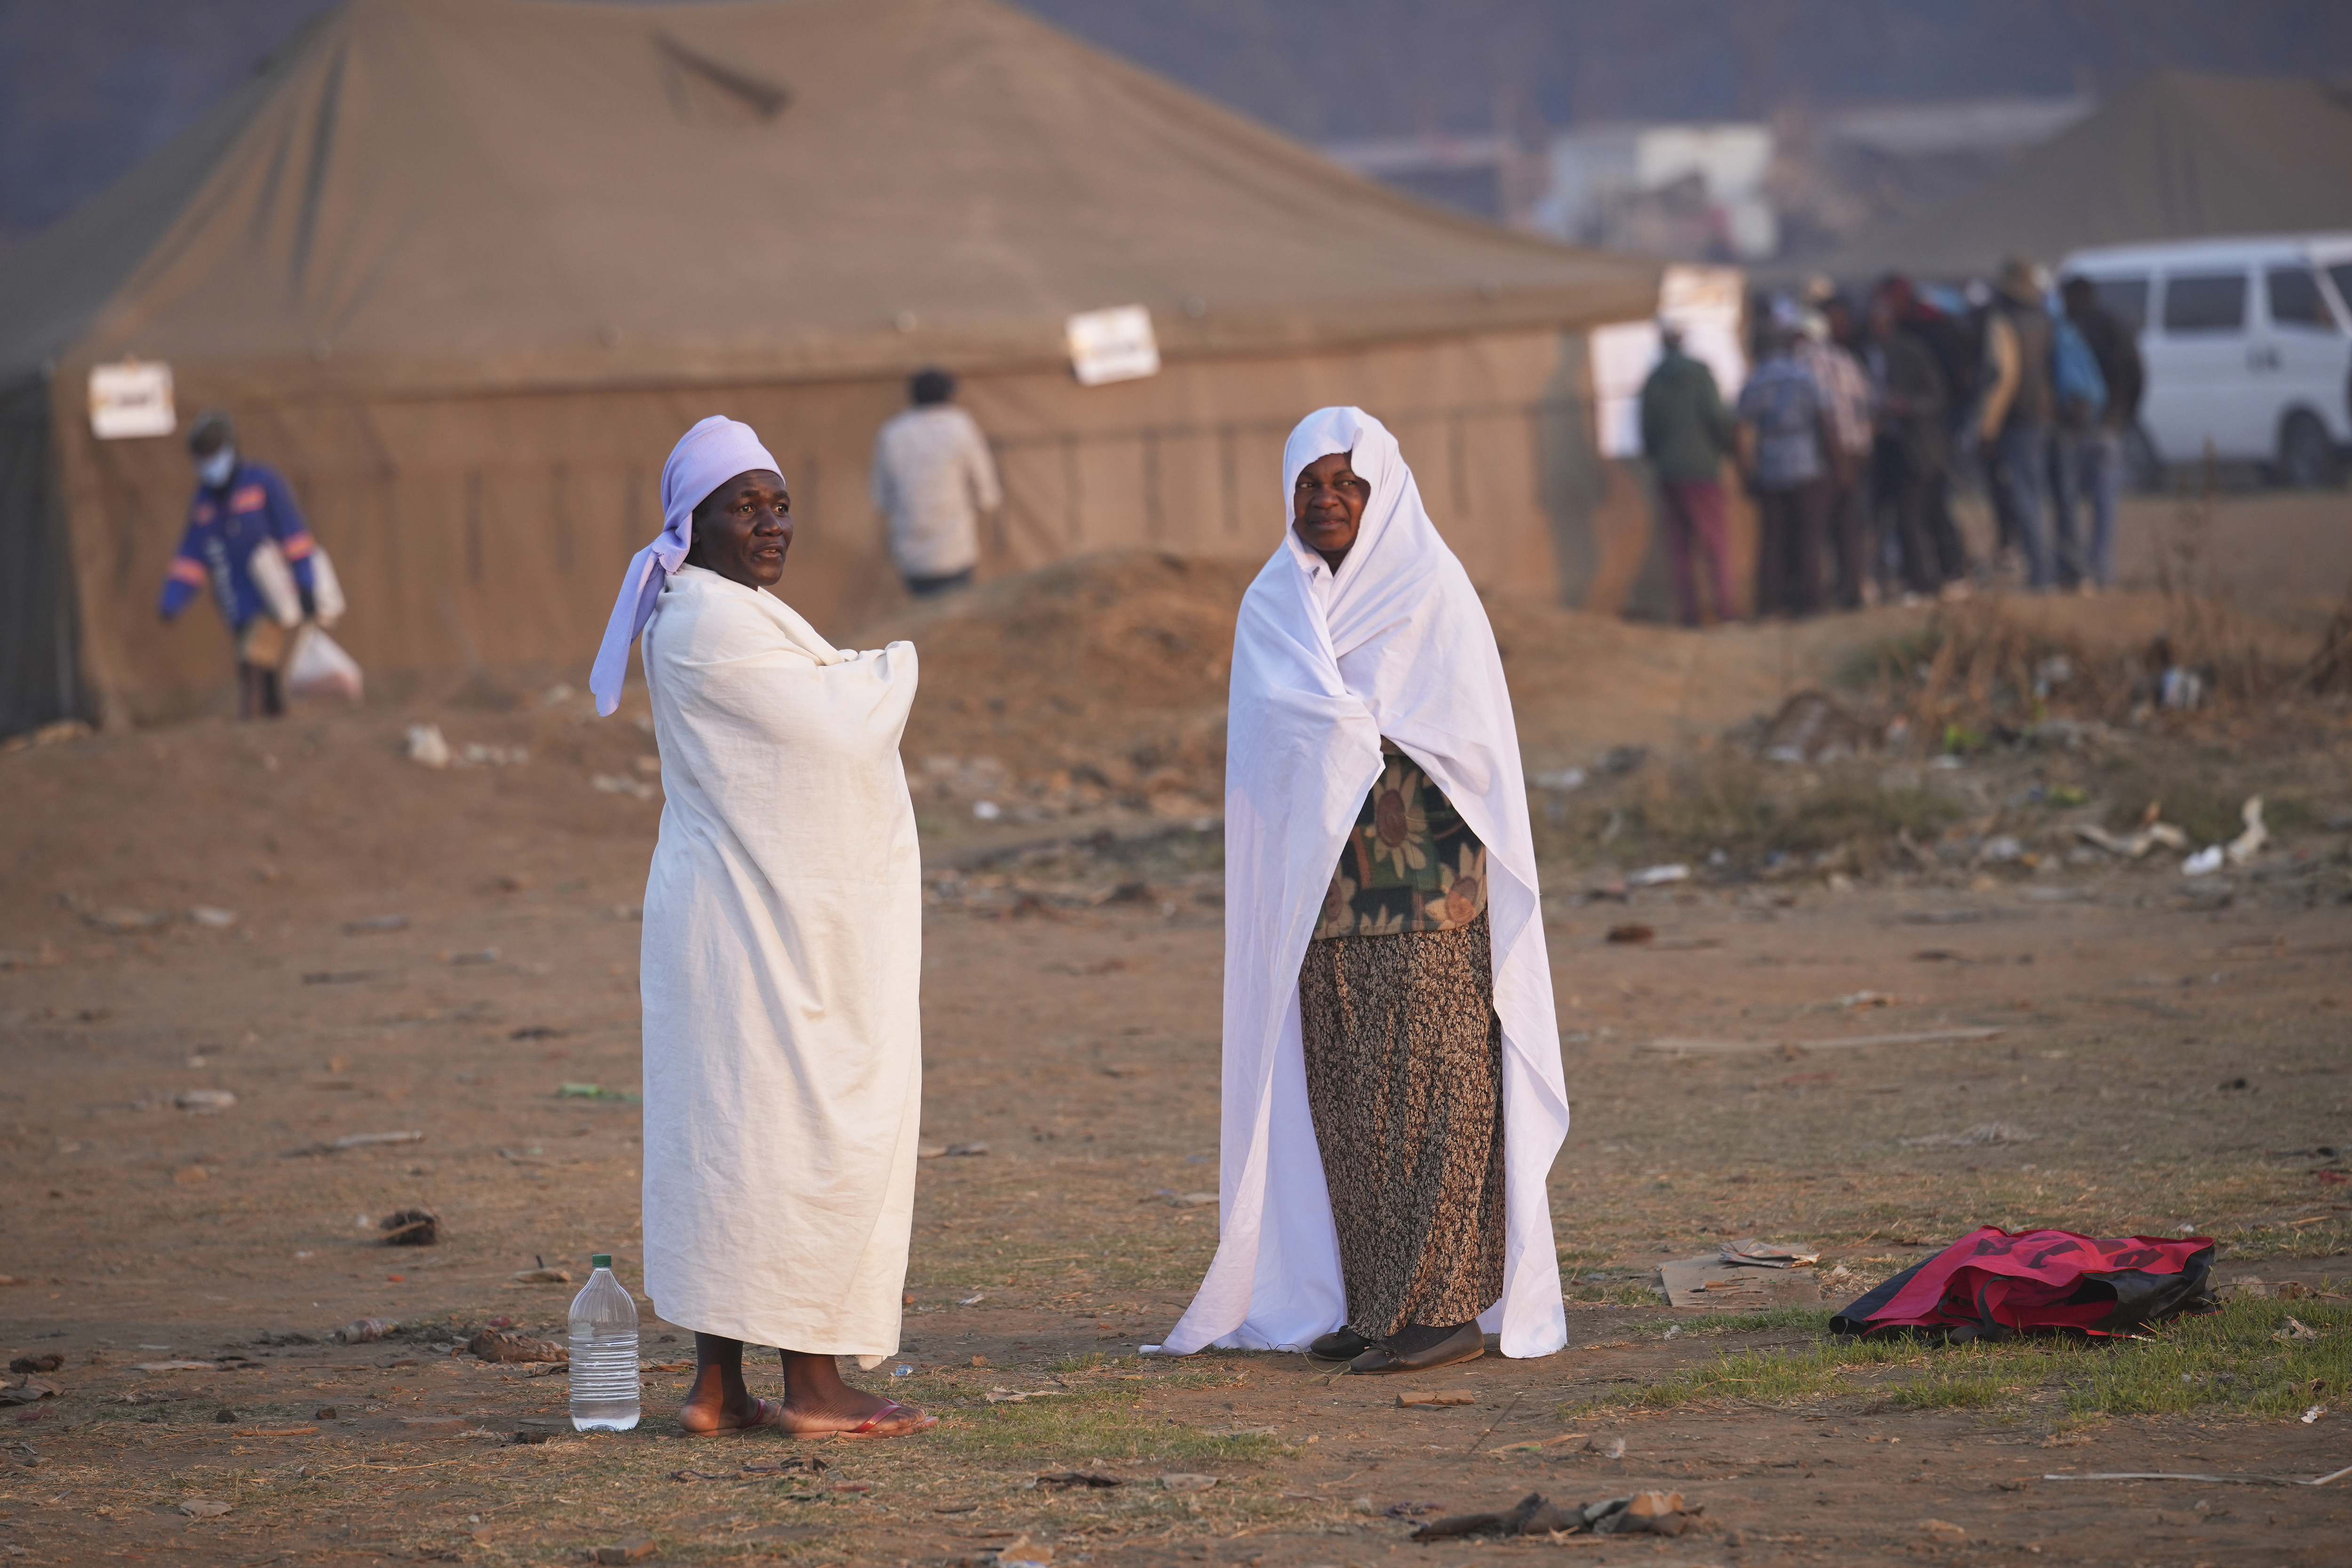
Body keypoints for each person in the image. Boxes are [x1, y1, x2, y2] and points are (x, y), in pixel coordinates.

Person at [1155, 407, 1568, 1375]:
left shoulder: (1431, 588)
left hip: (1431, 884)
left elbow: (1458, 732)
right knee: (1346, 1092)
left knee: (1436, 1081)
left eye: (1347, 484)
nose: (1328, 500)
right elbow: (1272, 737)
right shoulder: (1274, 602)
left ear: (1380, 493)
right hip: (1322, 889)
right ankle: (1377, 1301)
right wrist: (1345, 731)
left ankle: (1448, 1307)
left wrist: (1347, 730)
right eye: (1311, 485)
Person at [587, 416, 934, 1439]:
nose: (771, 524)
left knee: (725, 1142)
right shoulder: (707, 621)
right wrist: (895, 666)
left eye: (779, 503)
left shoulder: (719, 614)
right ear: (691, 523)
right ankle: (817, 1388)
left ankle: (716, 1387)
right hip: (750, 934)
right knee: (783, 1134)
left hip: (732, 918)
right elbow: (833, 730)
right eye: (746, 506)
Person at [156, 411, 320, 720]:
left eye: (214, 453)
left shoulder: (262, 484)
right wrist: (173, 600)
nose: (210, 463)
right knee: (264, 664)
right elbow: (192, 555)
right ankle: (276, 719)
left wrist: (306, 583)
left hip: (272, 595)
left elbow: (294, 534)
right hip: (235, 603)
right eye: (202, 456)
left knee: (252, 657)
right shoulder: (204, 503)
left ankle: (251, 722)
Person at [1736, 309, 1842, 618]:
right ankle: (1812, 603)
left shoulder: (1754, 382)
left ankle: (1770, 604)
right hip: (1805, 462)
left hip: (1770, 465)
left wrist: (1747, 472)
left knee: (1773, 538)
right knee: (1809, 537)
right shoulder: (1804, 376)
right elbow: (1825, 420)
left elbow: (1739, 431)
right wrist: (1836, 464)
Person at [1637, 321, 1739, 625]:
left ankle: (1691, 614)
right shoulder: (1700, 374)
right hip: (1704, 471)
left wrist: (1662, 456)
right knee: (1716, 544)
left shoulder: (1654, 381)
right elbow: (1718, 418)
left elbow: (1648, 432)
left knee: (1681, 549)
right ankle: (1725, 610)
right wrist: (1726, 447)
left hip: (1670, 473)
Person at [869, 367, 1001, 598]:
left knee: (925, 617)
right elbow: (987, 492)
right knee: (955, 614)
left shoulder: (893, 433)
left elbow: (882, 496)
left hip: (911, 552)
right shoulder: (960, 428)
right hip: (955, 548)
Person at [1863, 288, 1955, 597]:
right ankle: (1903, 577)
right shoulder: (1867, 354)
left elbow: (1937, 396)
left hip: (1917, 446)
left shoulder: (1911, 352)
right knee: (1888, 516)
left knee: (1916, 514)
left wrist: (1907, 406)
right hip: (1884, 447)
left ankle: (1930, 579)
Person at [1977, 257, 2062, 590]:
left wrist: (1988, 426)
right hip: (2046, 416)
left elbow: (2004, 377)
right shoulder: (2045, 320)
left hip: (2019, 420)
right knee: (2041, 495)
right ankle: (2047, 570)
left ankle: (2041, 575)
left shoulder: (2004, 322)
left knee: (2026, 497)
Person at [2058, 275, 2145, 591]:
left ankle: (2075, 568)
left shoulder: (2066, 329)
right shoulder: (2115, 327)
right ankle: (2102, 568)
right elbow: (2136, 373)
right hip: (2110, 427)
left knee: (2068, 499)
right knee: (2105, 501)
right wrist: (2123, 417)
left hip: (2075, 428)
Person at [1797, 296, 1877, 608]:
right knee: (1848, 525)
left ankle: (1815, 600)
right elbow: (1871, 407)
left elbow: (1821, 415)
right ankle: (1854, 590)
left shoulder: (1803, 361)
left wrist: (1837, 457)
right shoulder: (1846, 359)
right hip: (1858, 451)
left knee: (1814, 529)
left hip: (1827, 454)